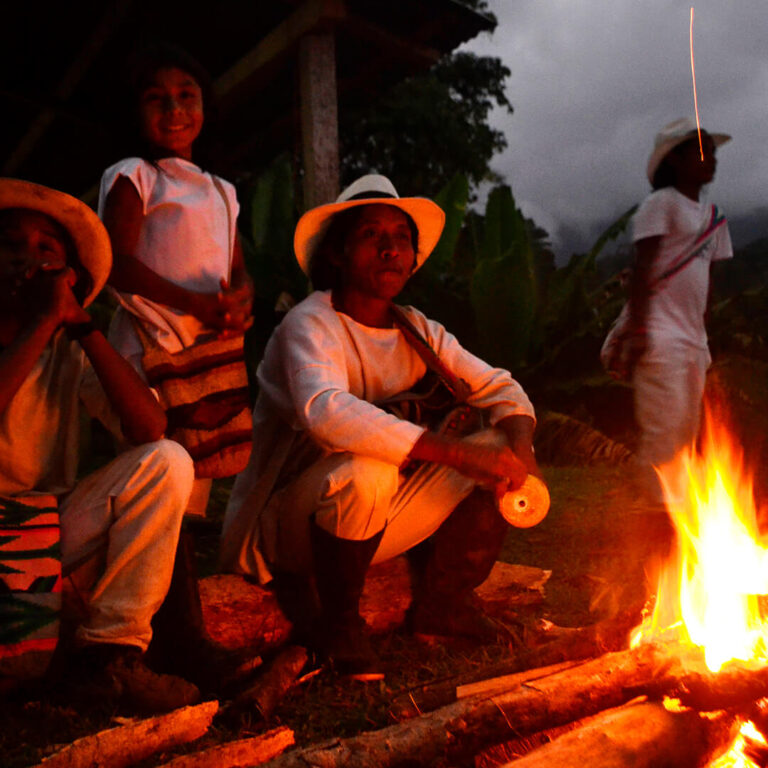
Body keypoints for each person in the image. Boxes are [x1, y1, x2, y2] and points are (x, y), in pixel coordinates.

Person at [221, 175, 539, 680]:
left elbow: (500, 388)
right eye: (372, 235)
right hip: (283, 528)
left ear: (412, 258)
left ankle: (443, 605)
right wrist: (457, 454)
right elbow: (326, 411)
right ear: (338, 254)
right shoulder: (309, 324)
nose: (391, 248)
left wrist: (518, 450)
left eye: (401, 238)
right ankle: (339, 626)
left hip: (374, 517)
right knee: (368, 466)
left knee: (495, 441)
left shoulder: (418, 330)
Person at [0, 178, 198, 712]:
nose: (28, 260)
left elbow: (149, 427)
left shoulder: (71, 345)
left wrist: (82, 323)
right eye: (12, 245)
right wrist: (42, 321)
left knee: (166, 462)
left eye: (47, 251)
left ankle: (106, 656)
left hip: (45, 535)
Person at [98, 43, 253, 515]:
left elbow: (238, 268)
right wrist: (196, 303)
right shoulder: (135, 176)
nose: (174, 109)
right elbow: (117, 264)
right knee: (152, 477)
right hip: (144, 353)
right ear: (135, 111)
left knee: (192, 489)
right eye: (156, 98)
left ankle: (173, 578)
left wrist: (242, 300)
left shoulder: (222, 192)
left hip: (204, 358)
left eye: (187, 95)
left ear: (205, 107)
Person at [623, 117, 733, 503]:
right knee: (663, 429)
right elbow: (643, 270)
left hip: (692, 341)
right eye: (701, 152)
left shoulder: (714, 217)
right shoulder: (661, 205)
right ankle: (656, 512)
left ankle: (678, 514)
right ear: (675, 161)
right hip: (660, 336)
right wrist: (639, 332)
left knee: (687, 430)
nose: (712, 160)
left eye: (714, 153)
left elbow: (710, 281)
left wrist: (705, 337)